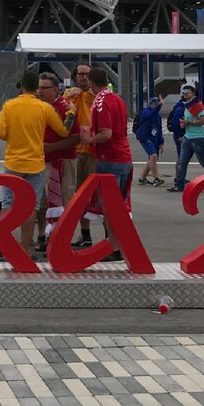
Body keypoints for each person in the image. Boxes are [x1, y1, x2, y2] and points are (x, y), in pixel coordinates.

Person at [0, 72, 69, 260]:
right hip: (35, 164)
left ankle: (3, 247)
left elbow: (0, 133)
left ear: (21, 86)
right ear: (36, 88)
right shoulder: (44, 108)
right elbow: (63, 131)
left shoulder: (9, 106)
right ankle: (24, 248)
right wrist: (72, 112)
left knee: (8, 204)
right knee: (31, 207)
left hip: (13, 162)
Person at [79, 66, 133, 260]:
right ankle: (122, 244)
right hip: (125, 157)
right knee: (120, 206)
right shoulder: (117, 98)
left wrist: (88, 140)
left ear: (92, 83)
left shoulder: (100, 102)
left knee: (109, 208)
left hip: (109, 159)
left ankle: (114, 247)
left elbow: (106, 133)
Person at [35, 72, 78, 252]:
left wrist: (49, 148)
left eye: (45, 88)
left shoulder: (65, 108)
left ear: (55, 89)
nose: (40, 91)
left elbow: (76, 138)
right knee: (41, 203)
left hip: (62, 162)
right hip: (41, 163)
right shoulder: (38, 107)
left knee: (63, 203)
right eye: (39, 87)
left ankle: (61, 240)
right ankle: (42, 236)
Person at [65, 63, 96, 249]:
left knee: (97, 196)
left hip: (93, 152)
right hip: (74, 152)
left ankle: (110, 237)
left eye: (87, 74)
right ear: (75, 76)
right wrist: (67, 96)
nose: (83, 78)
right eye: (80, 74)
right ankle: (85, 235)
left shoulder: (97, 96)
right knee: (77, 196)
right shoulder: (70, 95)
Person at [169, 84, 204, 192]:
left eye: (187, 92)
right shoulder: (187, 105)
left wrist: (188, 122)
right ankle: (179, 185)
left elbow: (203, 121)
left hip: (198, 138)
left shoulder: (197, 105)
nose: (185, 94)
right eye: (183, 93)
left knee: (203, 161)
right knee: (182, 161)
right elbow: (187, 121)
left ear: (193, 93)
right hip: (188, 137)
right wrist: (183, 125)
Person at [133, 95, 164, 186]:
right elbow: (150, 115)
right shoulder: (145, 112)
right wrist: (159, 106)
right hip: (144, 136)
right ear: (150, 104)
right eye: (154, 104)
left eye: (156, 103)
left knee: (152, 158)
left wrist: (161, 142)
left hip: (153, 137)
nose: (155, 105)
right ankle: (155, 179)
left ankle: (142, 178)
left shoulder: (158, 115)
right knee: (153, 156)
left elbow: (159, 129)